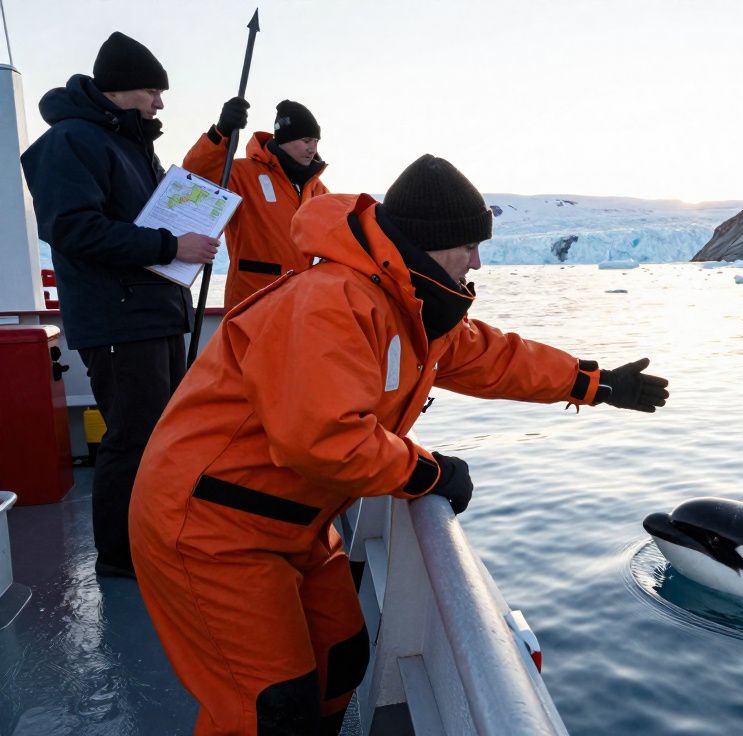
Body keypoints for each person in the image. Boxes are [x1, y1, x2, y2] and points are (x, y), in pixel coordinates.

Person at [128, 154, 669, 734]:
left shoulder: (408, 302)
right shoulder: (330, 301)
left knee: (342, 660)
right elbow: (321, 439)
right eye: (468, 246)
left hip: (293, 520)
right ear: (430, 243)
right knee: (268, 708)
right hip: (210, 525)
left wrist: (596, 382)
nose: (478, 261)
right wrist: (427, 474)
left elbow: (492, 357)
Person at [20, 31, 219, 579]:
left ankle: (151, 539)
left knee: (157, 435)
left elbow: (146, 223)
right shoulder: (72, 142)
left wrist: (191, 241)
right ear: (120, 90)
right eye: (154, 91)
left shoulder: (131, 145)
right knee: (132, 438)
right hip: (117, 318)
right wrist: (169, 246)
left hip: (151, 312)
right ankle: (121, 558)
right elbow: (72, 229)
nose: (160, 103)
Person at [183, 98, 329, 306]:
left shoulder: (318, 189)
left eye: (316, 141)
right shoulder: (242, 174)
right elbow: (196, 176)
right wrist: (222, 131)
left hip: (300, 303)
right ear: (284, 139)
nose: (312, 148)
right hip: (252, 303)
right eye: (306, 141)